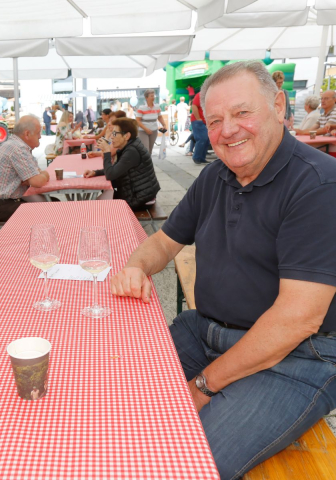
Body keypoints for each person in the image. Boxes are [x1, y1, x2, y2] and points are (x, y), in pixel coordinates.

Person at [110, 60, 336, 480]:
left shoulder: (319, 185)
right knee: (119, 397)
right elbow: (163, 241)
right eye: (215, 120)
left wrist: (203, 386)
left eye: (241, 113)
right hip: (206, 330)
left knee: (187, 462)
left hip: (295, 357)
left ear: (279, 105)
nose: (227, 130)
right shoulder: (217, 175)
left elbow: (296, 320)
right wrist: (136, 267)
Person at [0, 115, 49, 222]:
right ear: (27, 134)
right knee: (53, 211)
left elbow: (37, 175)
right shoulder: (18, 149)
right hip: (3, 206)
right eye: (38, 132)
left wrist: (39, 176)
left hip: (2, 203)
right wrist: (45, 175)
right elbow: (38, 181)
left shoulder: (13, 145)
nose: (40, 136)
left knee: (54, 203)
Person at [84, 117, 160, 207]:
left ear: (126, 136)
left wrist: (107, 152)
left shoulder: (132, 151)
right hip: (137, 193)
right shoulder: (129, 146)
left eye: (115, 133)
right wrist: (95, 172)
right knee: (98, 203)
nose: (112, 136)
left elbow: (110, 175)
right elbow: (115, 169)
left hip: (140, 198)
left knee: (98, 206)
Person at [135, 89, 167, 155]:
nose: (153, 97)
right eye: (151, 96)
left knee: (150, 149)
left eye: (154, 96)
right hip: (143, 131)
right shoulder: (141, 108)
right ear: (147, 98)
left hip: (154, 130)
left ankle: (148, 163)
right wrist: (146, 129)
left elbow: (160, 117)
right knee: (145, 148)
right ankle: (144, 163)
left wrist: (164, 124)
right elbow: (137, 120)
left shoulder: (157, 107)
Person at [190, 91, 211, 165]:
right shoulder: (200, 95)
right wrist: (198, 118)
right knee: (202, 138)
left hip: (203, 121)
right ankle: (197, 157)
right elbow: (194, 106)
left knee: (206, 140)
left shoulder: (207, 95)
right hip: (198, 121)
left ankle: (201, 158)